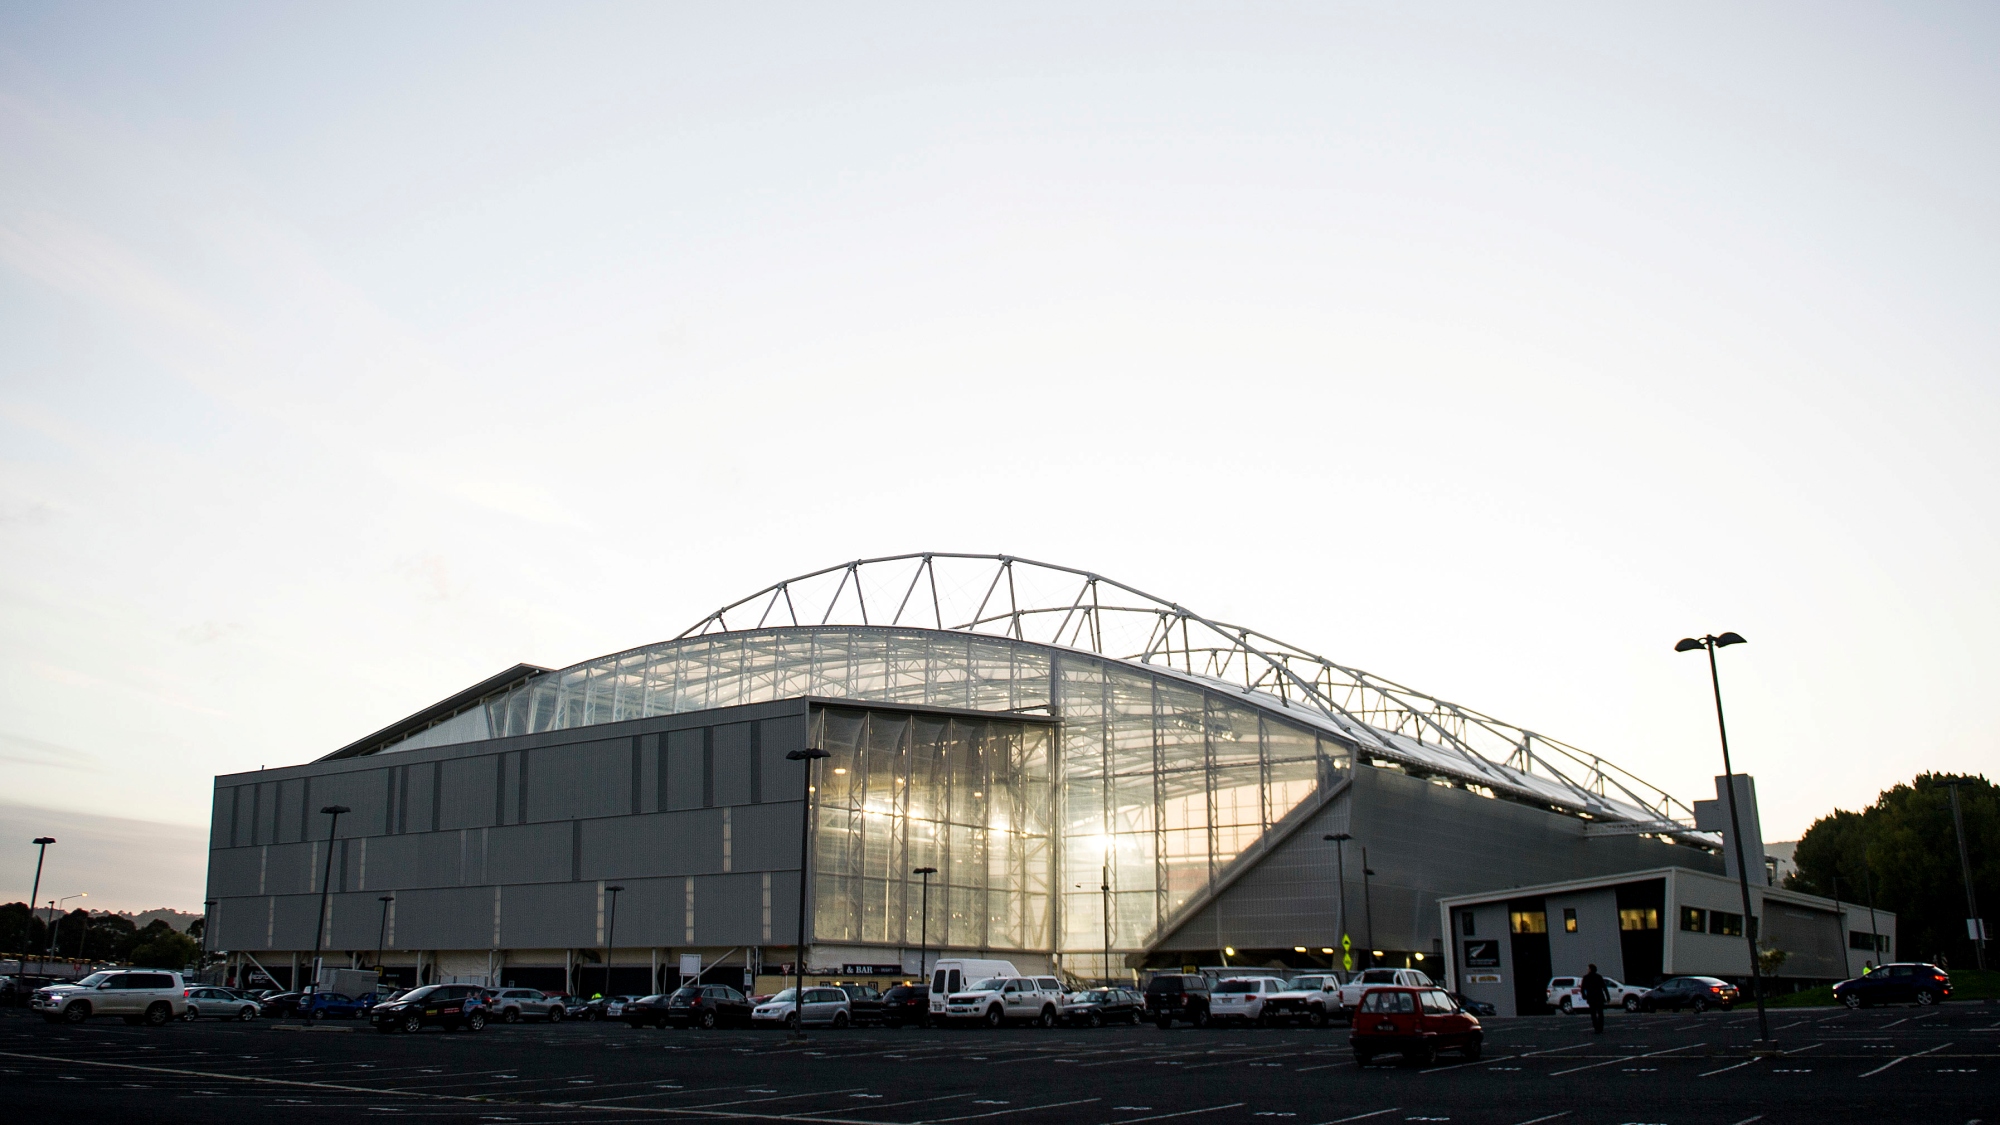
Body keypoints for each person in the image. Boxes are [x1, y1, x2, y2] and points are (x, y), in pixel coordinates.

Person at [1580, 963, 1608, 1035]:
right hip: (1599, 997)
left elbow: (1583, 988)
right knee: (1600, 1013)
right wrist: (1607, 996)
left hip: (1591, 997)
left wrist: (1584, 996)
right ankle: (1600, 1027)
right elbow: (1604, 987)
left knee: (1593, 1014)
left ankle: (1596, 1028)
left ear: (1590, 969)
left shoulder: (1586, 977)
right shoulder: (1599, 977)